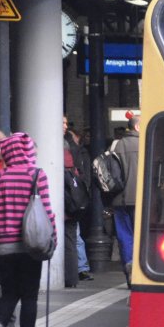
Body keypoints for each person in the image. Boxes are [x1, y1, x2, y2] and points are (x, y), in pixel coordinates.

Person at [0, 132, 57, 327]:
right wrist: (52, 239)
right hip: (30, 245)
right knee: (30, 296)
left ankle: (1, 323)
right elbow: (47, 211)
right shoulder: (36, 175)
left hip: (3, 246)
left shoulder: (0, 178)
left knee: (9, 292)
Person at [111, 115, 140, 283]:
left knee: (125, 237)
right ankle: (140, 274)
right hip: (140, 200)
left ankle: (129, 270)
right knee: (141, 237)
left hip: (119, 199)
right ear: (137, 127)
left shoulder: (116, 145)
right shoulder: (145, 143)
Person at [63, 117, 91, 287]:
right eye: (63, 123)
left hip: (66, 204)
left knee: (72, 237)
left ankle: (75, 272)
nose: (66, 126)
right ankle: (74, 274)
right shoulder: (75, 151)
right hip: (73, 203)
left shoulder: (69, 149)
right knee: (73, 238)